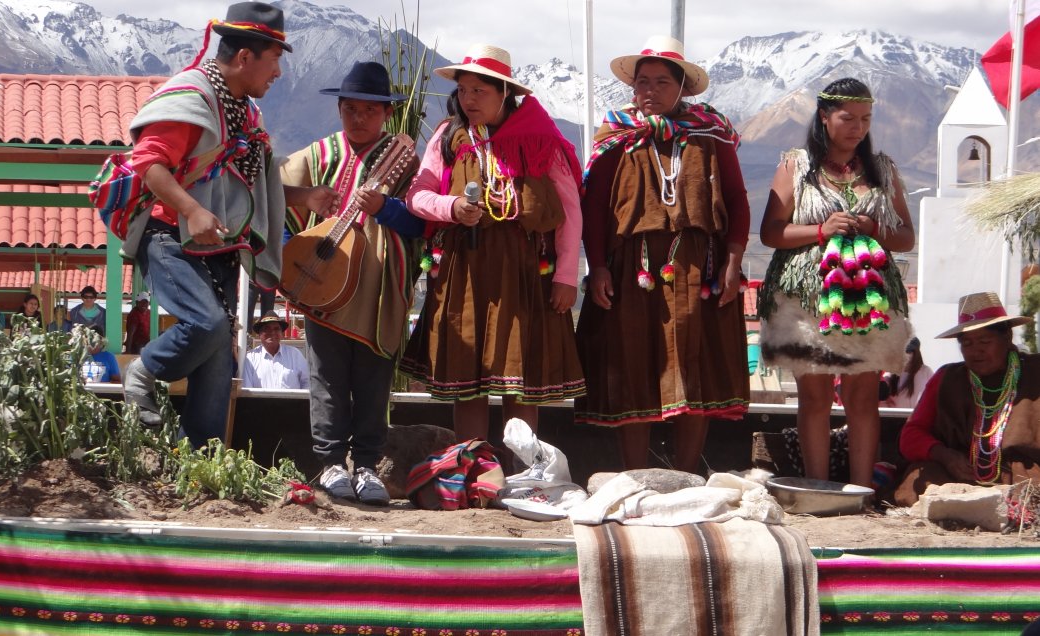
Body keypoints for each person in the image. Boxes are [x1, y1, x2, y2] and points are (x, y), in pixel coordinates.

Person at [118, 2, 336, 445]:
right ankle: (144, 370)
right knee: (207, 326)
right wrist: (192, 210)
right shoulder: (193, 98)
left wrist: (302, 197)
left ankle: (200, 459)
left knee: (219, 360)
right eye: (274, 60)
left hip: (218, 247)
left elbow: (249, 183)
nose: (278, 73)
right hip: (168, 236)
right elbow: (149, 164)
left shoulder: (244, 112)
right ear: (244, 58)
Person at [574, 36, 750, 472]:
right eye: (642, 83)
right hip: (631, 269)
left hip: (699, 267)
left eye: (660, 82)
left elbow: (737, 198)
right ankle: (635, 474)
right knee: (633, 363)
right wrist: (596, 265)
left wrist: (733, 264)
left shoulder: (712, 133)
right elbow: (593, 206)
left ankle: (686, 475)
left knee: (695, 368)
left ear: (683, 88)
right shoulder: (616, 135)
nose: (649, 91)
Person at [399, 43, 585, 444]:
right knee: (468, 377)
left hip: (525, 270)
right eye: (463, 90)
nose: (468, 100)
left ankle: (521, 472)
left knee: (521, 379)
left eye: (479, 91)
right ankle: (475, 467)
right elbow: (417, 195)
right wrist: (451, 208)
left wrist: (566, 276)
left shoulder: (541, 140)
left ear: (505, 93)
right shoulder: (448, 138)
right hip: (464, 269)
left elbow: (569, 211)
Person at [757, 77, 915, 489]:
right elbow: (772, 232)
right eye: (848, 117)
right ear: (825, 117)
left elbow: (906, 238)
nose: (857, 127)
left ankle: (861, 491)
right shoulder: (796, 166)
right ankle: (818, 488)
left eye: (865, 118)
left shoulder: (883, 170)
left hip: (867, 297)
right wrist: (821, 230)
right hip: (806, 302)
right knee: (815, 398)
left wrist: (872, 228)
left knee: (864, 396)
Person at [280, 61, 424, 505]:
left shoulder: (406, 162)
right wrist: (296, 263)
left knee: (373, 378)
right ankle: (328, 463)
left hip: (379, 290)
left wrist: (384, 207)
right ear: (339, 109)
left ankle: (365, 463)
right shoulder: (315, 157)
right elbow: (279, 210)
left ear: (385, 114)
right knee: (326, 377)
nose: (359, 118)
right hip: (323, 288)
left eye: (369, 110)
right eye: (351, 109)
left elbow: (421, 223)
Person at [894, 292, 1040, 507]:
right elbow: (911, 436)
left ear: (1007, 337)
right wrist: (945, 456)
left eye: (984, 341)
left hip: (1022, 477)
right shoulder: (947, 378)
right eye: (967, 343)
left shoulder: (1035, 371)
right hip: (959, 475)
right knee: (922, 481)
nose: (976, 351)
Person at [242, 312, 309, 390]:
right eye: (266, 329)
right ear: (259, 334)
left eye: (276, 329)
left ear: (281, 334)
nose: (272, 332)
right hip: (259, 402)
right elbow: (247, 389)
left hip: (293, 402)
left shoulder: (295, 354)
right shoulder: (250, 358)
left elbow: (308, 382)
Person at [883, 337, 934, 408]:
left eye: (909, 351)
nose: (905, 355)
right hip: (896, 417)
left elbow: (935, 397)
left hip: (918, 417)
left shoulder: (926, 371)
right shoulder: (890, 374)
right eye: (902, 351)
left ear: (916, 353)